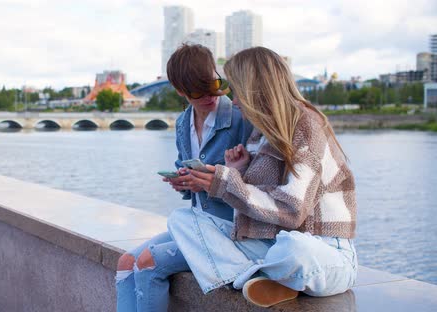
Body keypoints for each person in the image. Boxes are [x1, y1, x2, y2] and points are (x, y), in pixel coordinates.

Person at [167, 47, 358, 308]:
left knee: (292, 248)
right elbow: (257, 203)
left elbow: (291, 210)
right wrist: (240, 171)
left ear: (256, 89)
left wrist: (224, 183)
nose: (232, 101)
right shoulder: (260, 133)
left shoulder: (306, 126)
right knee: (182, 220)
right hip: (272, 241)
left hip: (324, 251)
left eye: (236, 91)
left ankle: (255, 275)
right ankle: (257, 278)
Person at [115, 44, 253, 311]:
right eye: (197, 91)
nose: (209, 95)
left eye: (214, 84)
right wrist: (183, 182)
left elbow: (261, 185)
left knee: (147, 264)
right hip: (196, 225)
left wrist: (223, 176)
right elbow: (189, 184)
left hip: (229, 230)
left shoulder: (240, 119)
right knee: (124, 263)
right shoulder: (183, 122)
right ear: (180, 91)